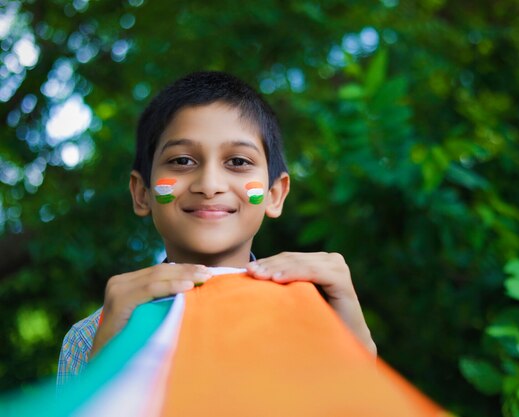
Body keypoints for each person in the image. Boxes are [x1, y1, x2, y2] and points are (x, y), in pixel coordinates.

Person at [57, 71, 376, 386]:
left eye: (238, 162)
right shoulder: (92, 335)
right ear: (143, 192)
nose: (209, 185)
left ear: (274, 194)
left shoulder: (315, 318)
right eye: (182, 161)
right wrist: (102, 371)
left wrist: (358, 359)